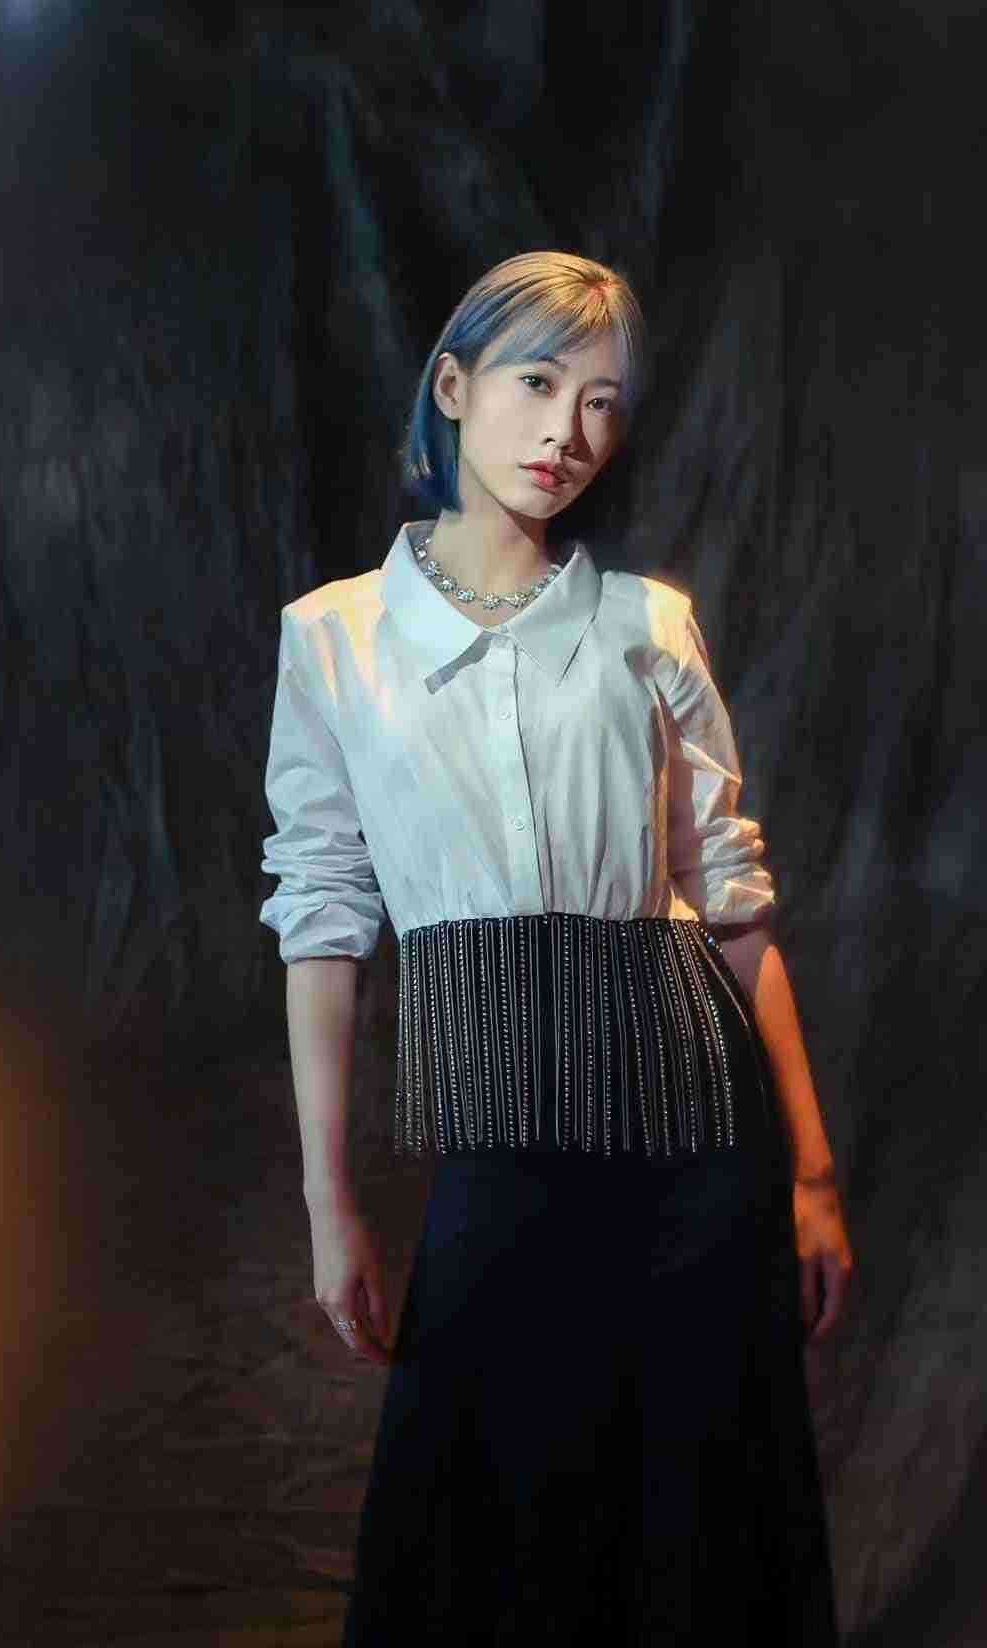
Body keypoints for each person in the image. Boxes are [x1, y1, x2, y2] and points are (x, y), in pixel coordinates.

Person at [259, 249, 854, 1644]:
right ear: (452, 388)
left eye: (601, 404)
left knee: (700, 1534)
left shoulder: (650, 624)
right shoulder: (336, 639)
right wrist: (328, 1202)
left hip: (698, 1139)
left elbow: (732, 906)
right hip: (499, 1128)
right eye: (537, 384)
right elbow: (324, 926)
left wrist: (815, 1173)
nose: (567, 434)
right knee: (486, 1534)